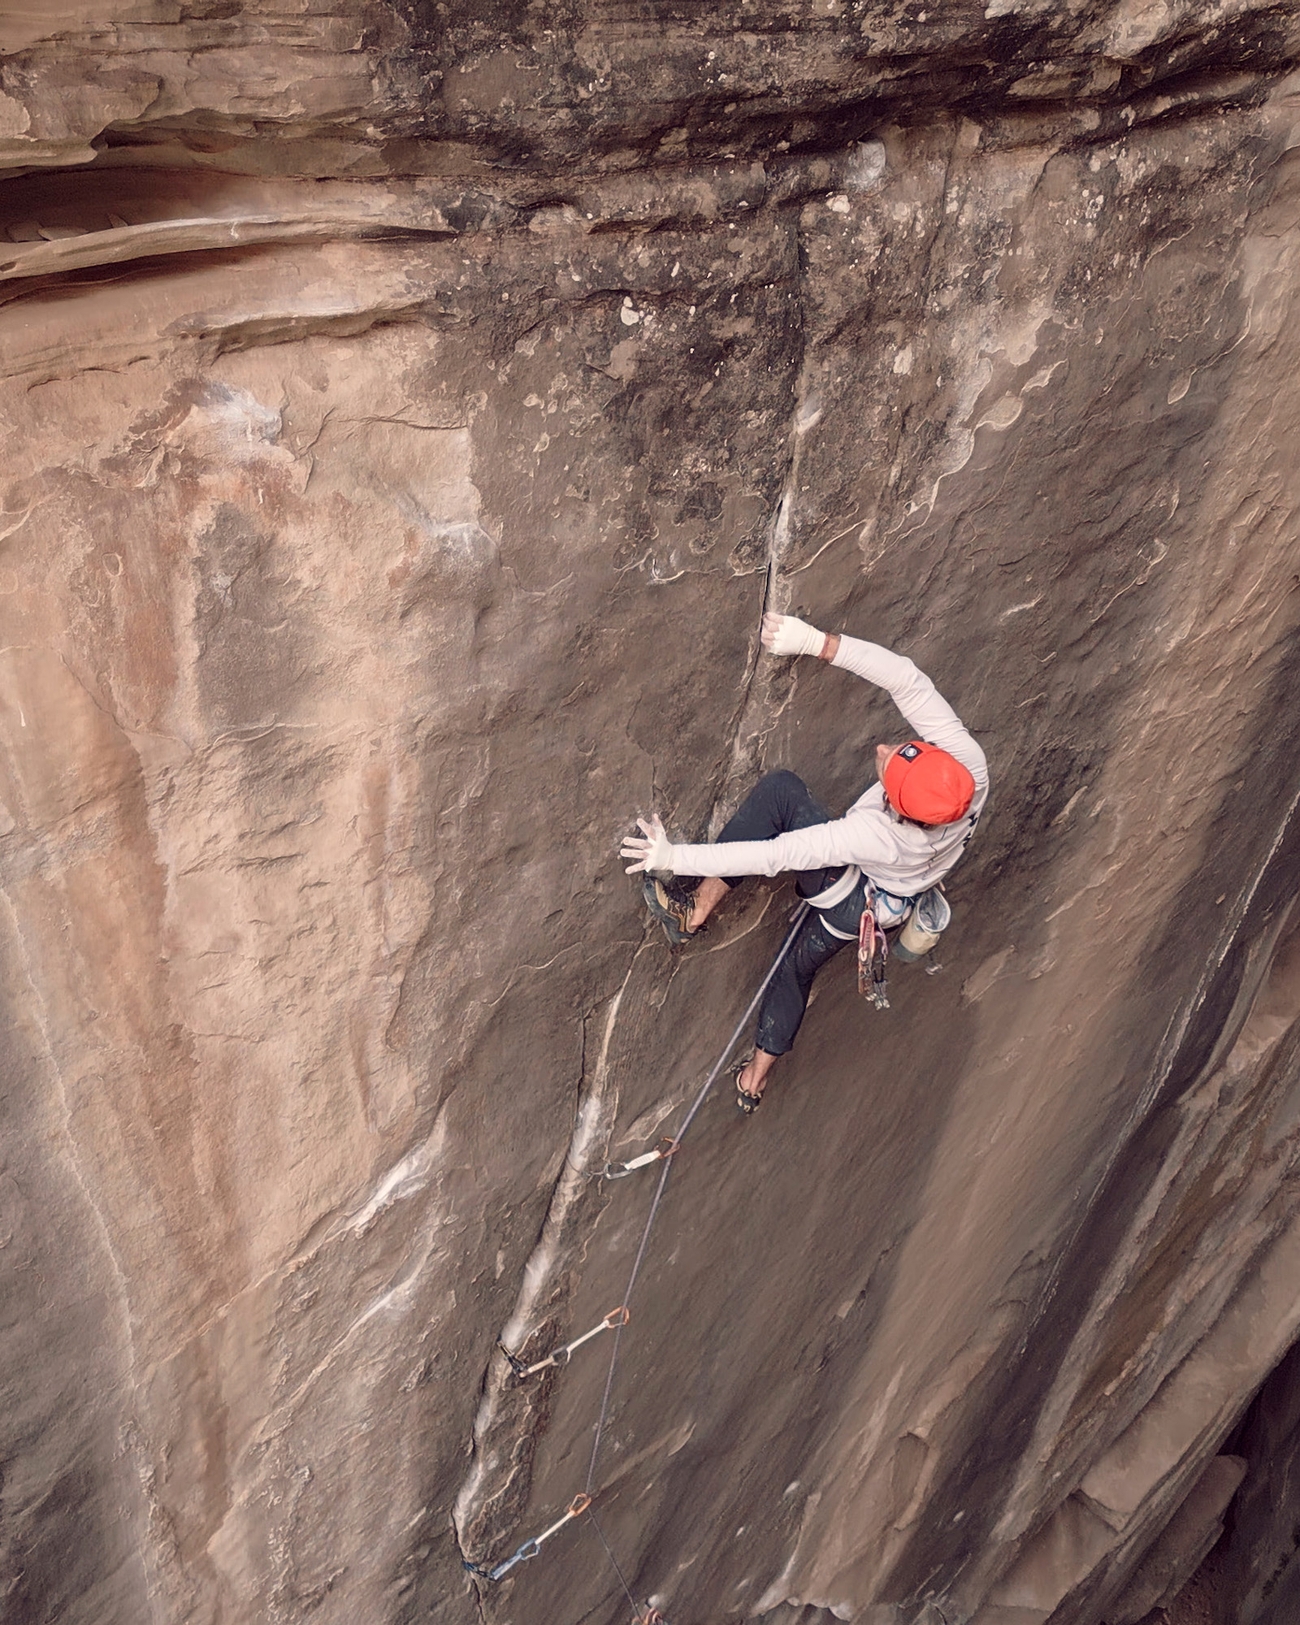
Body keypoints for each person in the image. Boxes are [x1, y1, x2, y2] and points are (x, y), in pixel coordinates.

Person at [620, 611, 989, 1111]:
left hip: (849, 898)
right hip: (887, 907)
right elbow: (906, 679)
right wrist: (817, 643)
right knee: (795, 969)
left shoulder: (879, 834)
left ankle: (694, 910)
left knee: (781, 794)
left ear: (900, 811)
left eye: (889, 767)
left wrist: (672, 856)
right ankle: (754, 1082)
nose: (884, 748)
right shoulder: (967, 771)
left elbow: (778, 853)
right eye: (908, 749)